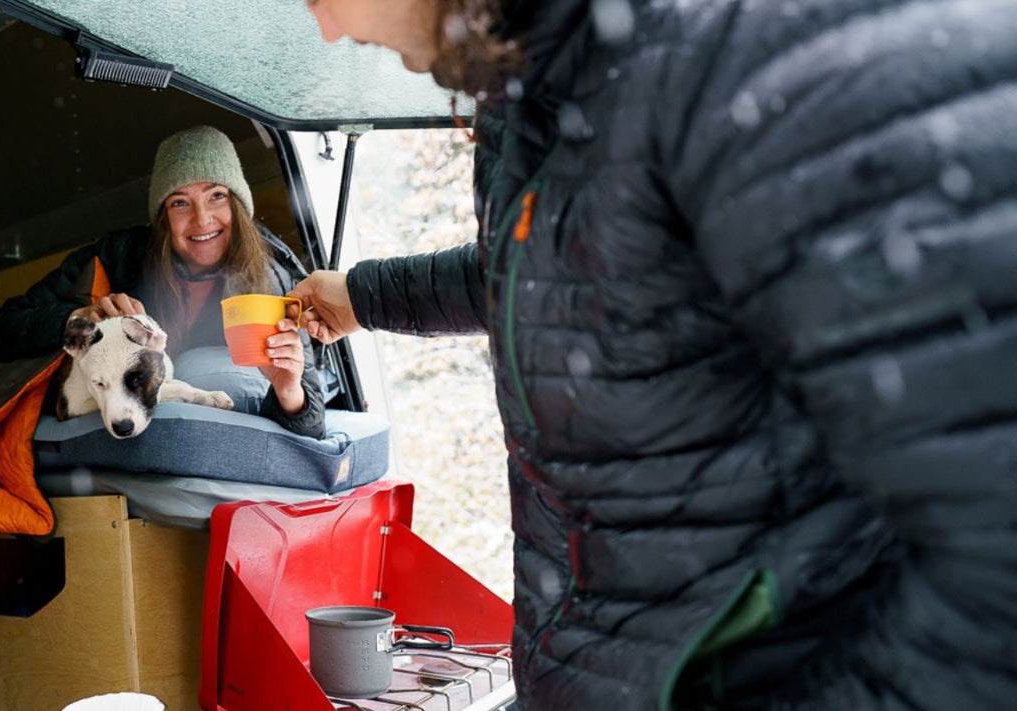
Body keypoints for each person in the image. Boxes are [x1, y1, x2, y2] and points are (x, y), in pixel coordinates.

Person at [292, 0, 1017, 709]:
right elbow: (562, 273)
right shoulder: (541, 86)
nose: (322, 26)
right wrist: (361, 296)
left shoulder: (746, 47)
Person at [0, 125, 325, 439]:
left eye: (217, 196)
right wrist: (81, 319)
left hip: (211, 445)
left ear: (238, 205)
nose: (202, 219)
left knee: (207, 368)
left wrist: (287, 390)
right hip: (124, 438)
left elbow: (313, 426)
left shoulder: (270, 280)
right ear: (163, 216)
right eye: (180, 203)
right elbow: (3, 328)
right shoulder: (118, 256)